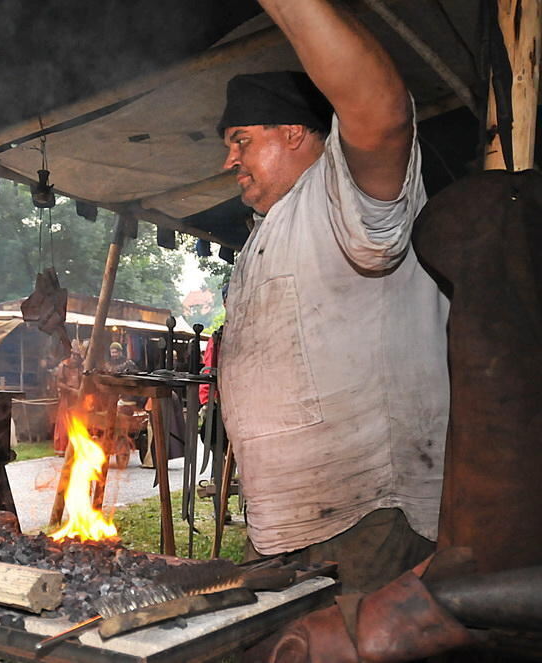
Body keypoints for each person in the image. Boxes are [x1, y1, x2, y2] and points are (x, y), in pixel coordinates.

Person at [216, 0, 449, 593]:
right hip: (286, 522)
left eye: (241, 139)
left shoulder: (342, 196)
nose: (229, 160)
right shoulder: (269, 230)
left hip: (366, 515)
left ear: (294, 132)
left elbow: (384, 113)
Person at [51, 345, 83, 455]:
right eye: (73, 355)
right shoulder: (63, 366)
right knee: (64, 424)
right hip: (66, 398)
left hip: (77, 400)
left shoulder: (80, 367)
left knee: (77, 423)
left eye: (77, 356)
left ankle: (75, 447)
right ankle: (62, 448)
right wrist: (71, 390)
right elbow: (59, 383)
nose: (75, 357)